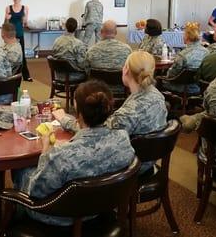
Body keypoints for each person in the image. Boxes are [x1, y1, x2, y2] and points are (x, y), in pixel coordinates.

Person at [14, 80, 135, 226]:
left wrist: (46, 150)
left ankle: (17, 223)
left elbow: (36, 192)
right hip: (103, 208)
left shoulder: (61, 156)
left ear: (78, 114)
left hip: (59, 217)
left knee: (22, 171)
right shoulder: (123, 139)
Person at [55, 51, 167, 175]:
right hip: (148, 160)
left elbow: (96, 132)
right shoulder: (157, 96)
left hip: (129, 169)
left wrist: (64, 119)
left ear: (125, 70)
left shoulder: (129, 113)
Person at [163, 23, 209, 93]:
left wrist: (165, 73)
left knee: (158, 80)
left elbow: (172, 74)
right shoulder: (206, 52)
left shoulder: (182, 55)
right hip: (199, 86)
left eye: (183, 35)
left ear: (187, 37)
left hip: (180, 86)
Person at [5, 0, 32, 81]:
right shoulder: (8, 8)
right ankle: (10, 75)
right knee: (9, 54)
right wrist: (6, 18)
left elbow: (25, 23)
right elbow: (6, 23)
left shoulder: (25, 8)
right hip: (10, 35)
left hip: (20, 33)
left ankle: (26, 75)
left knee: (21, 54)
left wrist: (25, 20)